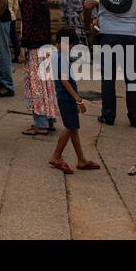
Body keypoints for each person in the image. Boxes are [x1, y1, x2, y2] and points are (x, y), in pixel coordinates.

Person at [48, 26, 101, 174]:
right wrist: (78, 99)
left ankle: (81, 159)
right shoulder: (61, 57)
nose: (71, 49)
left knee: (73, 128)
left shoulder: (55, 54)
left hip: (63, 95)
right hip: (67, 96)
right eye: (71, 46)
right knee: (70, 127)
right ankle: (56, 156)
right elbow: (65, 80)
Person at [20, 0, 58, 135]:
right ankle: (49, 120)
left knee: (36, 84)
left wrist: (23, 45)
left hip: (35, 46)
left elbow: (27, 24)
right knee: (47, 84)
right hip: (46, 45)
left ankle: (41, 124)